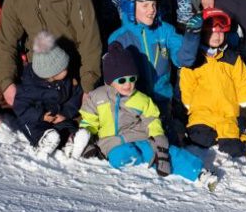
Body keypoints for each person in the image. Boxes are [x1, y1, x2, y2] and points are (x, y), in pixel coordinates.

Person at [72, 42, 206, 182]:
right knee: (122, 156)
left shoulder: (141, 99)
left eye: (132, 79)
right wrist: (86, 135)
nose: (128, 84)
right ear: (110, 81)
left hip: (141, 139)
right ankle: (136, 177)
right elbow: (89, 120)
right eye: (122, 80)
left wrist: (159, 140)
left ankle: (199, 172)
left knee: (170, 152)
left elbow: (152, 120)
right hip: (112, 143)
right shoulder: (97, 97)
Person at [180, 8, 246, 161]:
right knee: (199, 139)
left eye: (221, 32)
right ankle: (213, 138)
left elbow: (243, 86)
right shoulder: (195, 61)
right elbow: (186, 86)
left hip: (228, 116)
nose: (217, 36)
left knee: (232, 147)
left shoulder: (233, 59)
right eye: (212, 32)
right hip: (202, 113)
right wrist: (184, 112)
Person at [107, 0, 200, 141]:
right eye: (145, 5)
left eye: (154, 5)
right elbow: (112, 82)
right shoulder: (119, 39)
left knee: (169, 140)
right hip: (133, 103)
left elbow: (184, 60)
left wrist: (192, 37)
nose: (152, 10)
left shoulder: (165, 31)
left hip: (162, 101)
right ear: (130, 7)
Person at [12, 31, 83, 157]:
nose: (68, 68)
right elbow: (21, 108)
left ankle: (71, 140)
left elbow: (75, 96)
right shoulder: (30, 86)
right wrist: (41, 116)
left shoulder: (67, 80)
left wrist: (64, 114)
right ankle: (42, 141)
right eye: (64, 68)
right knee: (29, 124)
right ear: (51, 74)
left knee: (68, 125)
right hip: (37, 118)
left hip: (57, 116)